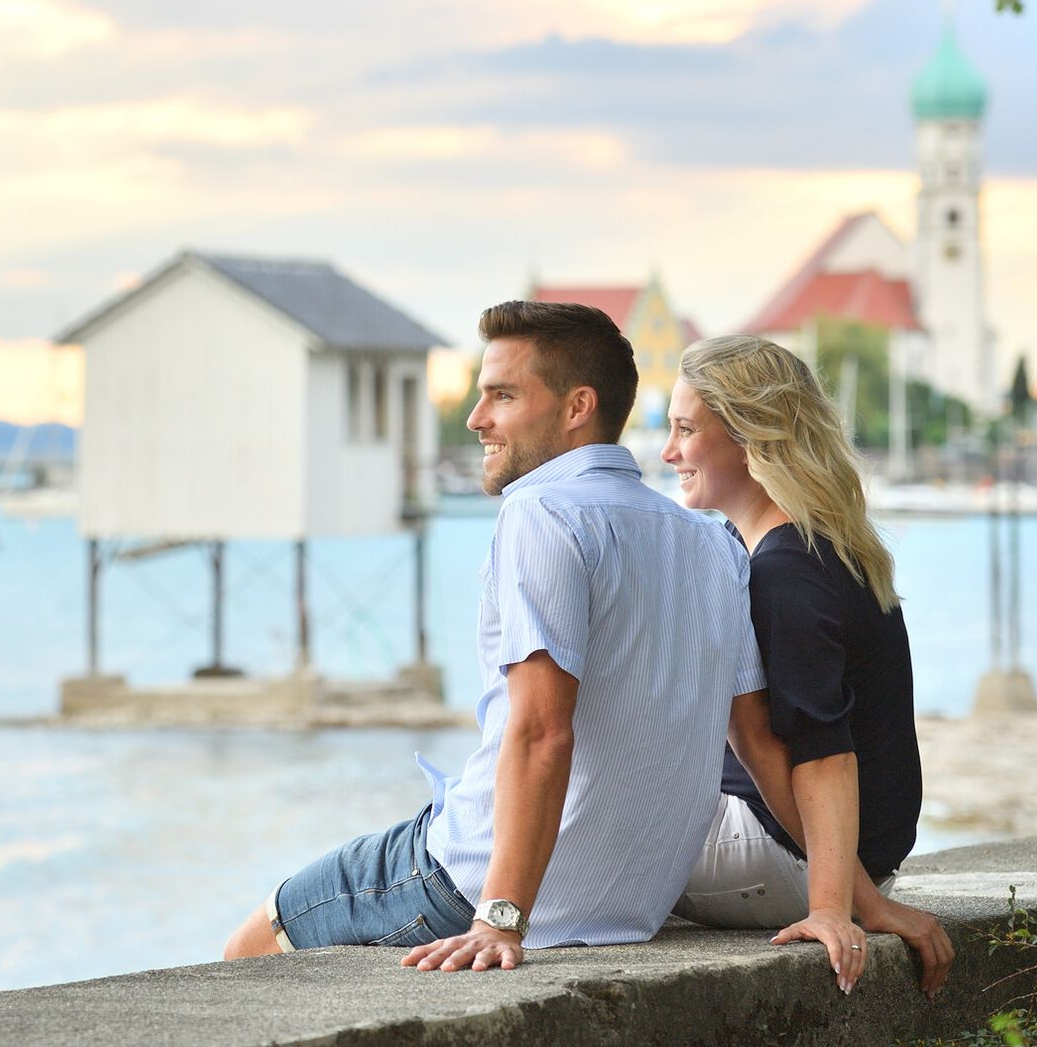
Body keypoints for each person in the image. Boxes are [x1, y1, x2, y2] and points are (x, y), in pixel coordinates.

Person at [222, 301, 844, 975]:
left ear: (577, 407)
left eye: (503, 395)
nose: (475, 418)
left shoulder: (541, 511)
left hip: (472, 878)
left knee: (248, 951)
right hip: (630, 907)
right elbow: (757, 739)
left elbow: (542, 730)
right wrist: (848, 900)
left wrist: (500, 917)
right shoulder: (709, 540)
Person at [663, 334, 954, 996]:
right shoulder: (817, 544)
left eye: (685, 429)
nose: (668, 452)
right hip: (834, 856)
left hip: (789, 857)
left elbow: (821, 751)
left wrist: (837, 905)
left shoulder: (784, 573)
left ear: (750, 437)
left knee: (555, 809)